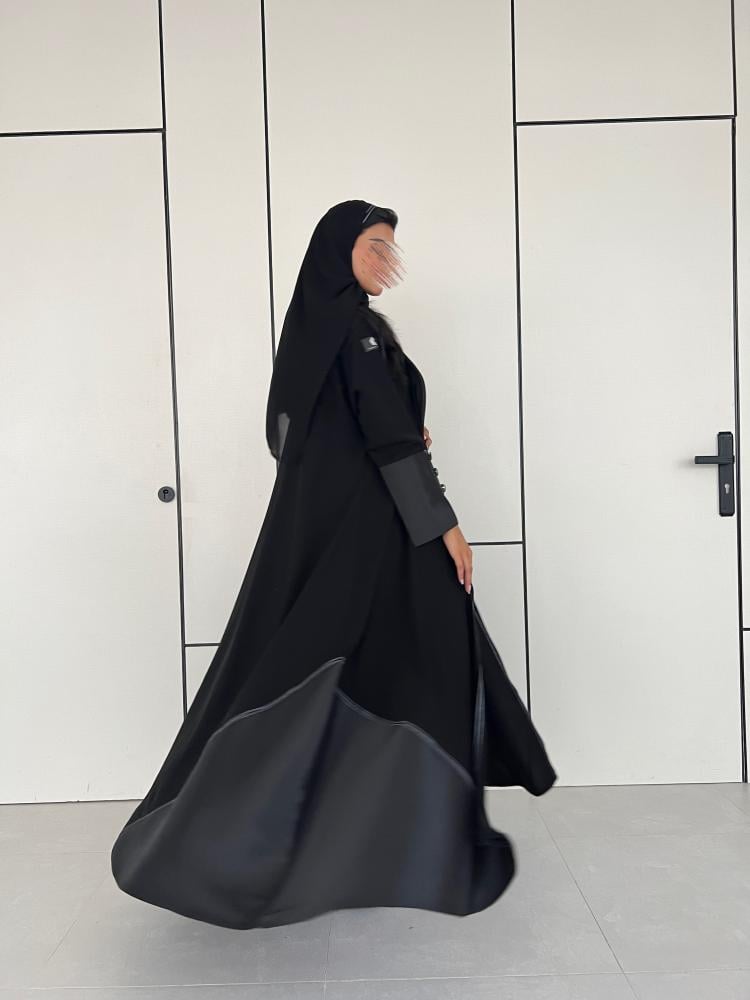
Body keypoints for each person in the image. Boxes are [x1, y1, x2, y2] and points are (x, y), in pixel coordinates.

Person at [111, 199, 557, 930]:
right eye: (374, 245)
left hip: (344, 532)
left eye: (390, 248)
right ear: (336, 253)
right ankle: (408, 834)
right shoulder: (355, 332)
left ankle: (361, 830)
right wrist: (445, 526)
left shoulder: (322, 329)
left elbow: (292, 433)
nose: (387, 260)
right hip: (378, 533)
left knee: (346, 664)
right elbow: (387, 440)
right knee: (419, 654)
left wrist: (392, 431)